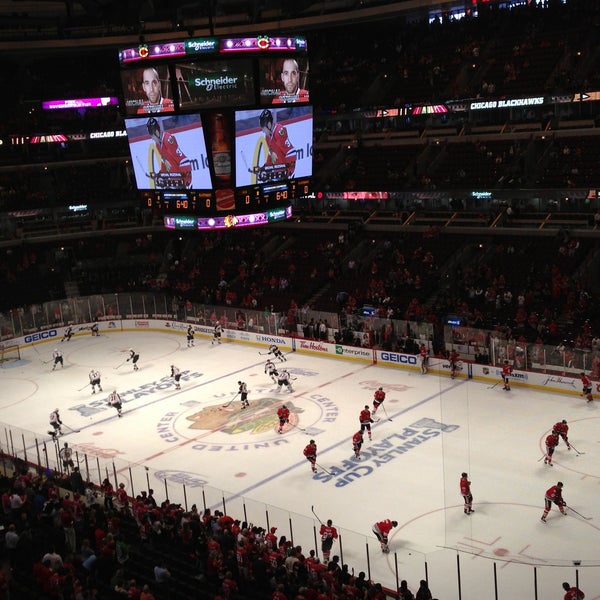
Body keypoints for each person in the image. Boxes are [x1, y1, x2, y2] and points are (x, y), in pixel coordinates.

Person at [147, 117, 192, 189]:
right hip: (175, 182)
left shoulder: (167, 140)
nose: (152, 139)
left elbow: (184, 160)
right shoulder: (158, 145)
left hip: (182, 183)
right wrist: (160, 176)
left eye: (152, 136)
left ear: (156, 132)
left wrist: (187, 181)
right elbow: (164, 162)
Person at [257, 109, 296, 180]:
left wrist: (290, 171)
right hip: (277, 174)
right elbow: (271, 155)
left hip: (284, 174)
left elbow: (291, 152)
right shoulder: (267, 136)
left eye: (263, 128)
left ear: (268, 124)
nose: (262, 131)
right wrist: (265, 168)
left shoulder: (279, 132)